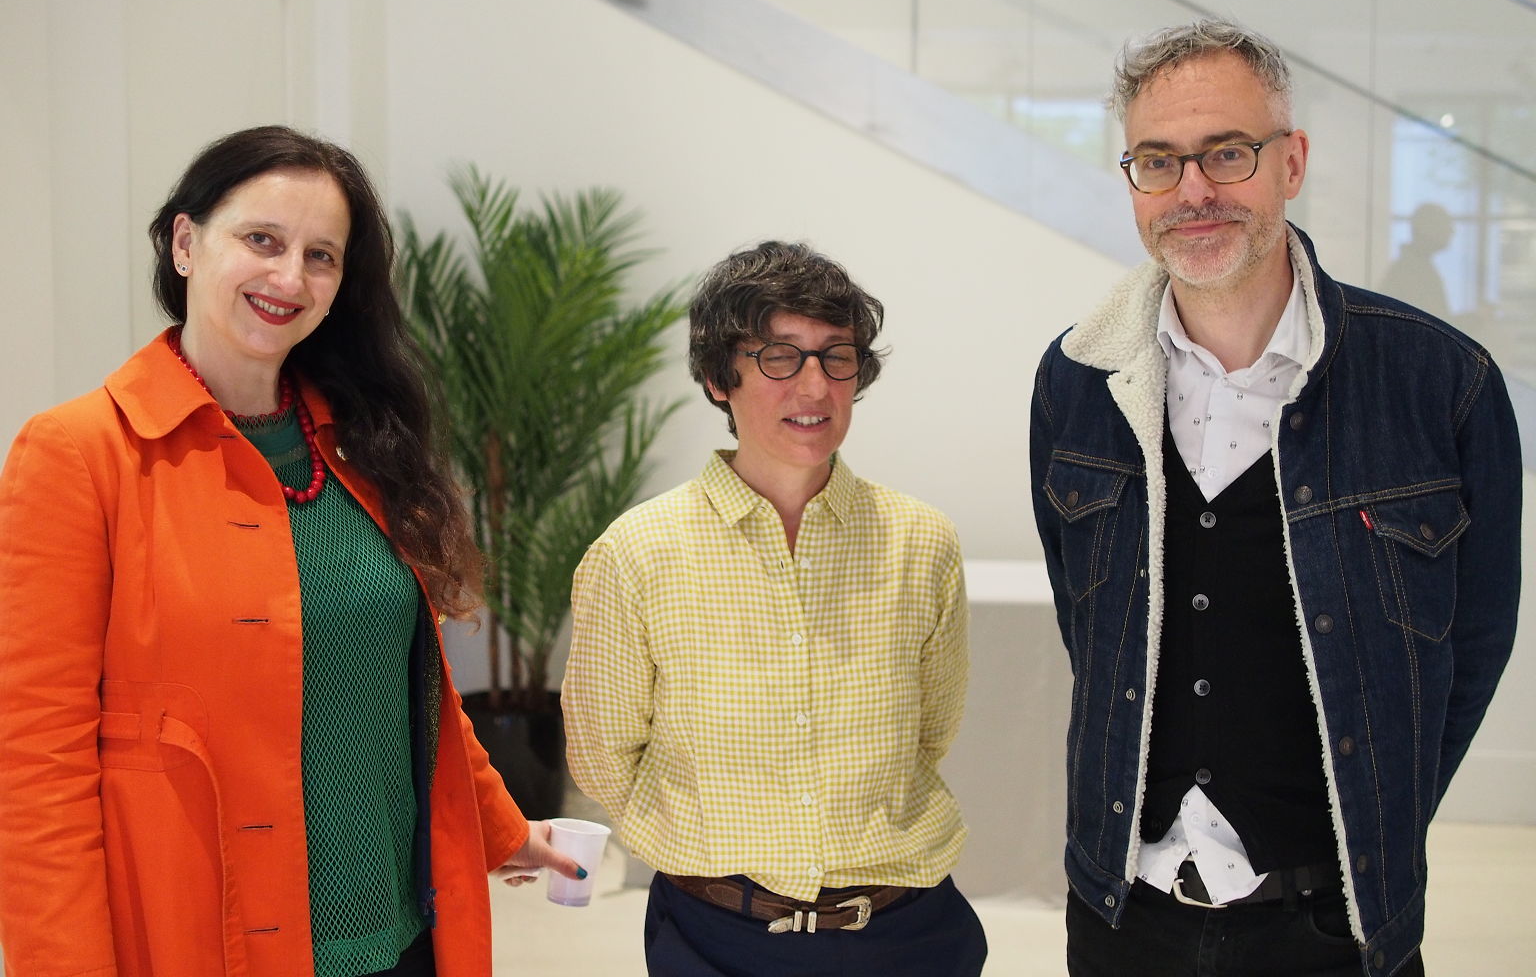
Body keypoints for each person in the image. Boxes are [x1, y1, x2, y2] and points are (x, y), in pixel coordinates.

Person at [0, 126, 581, 977]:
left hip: (403, 934)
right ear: (186, 242)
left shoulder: (363, 443)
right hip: (210, 938)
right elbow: (35, 765)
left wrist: (503, 827)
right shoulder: (79, 454)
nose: (289, 279)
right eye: (262, 240)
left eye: (321, 257)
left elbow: (405, 685)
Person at [1029, 19, 1521, 977]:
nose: (1194, 191)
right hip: (1123, 917)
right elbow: (1086, 624)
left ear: (1291, 162)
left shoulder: (1439, 382)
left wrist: (1378, 812)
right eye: (1158, 161)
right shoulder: (1077, 380)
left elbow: (1473, 646)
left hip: (1334, 926)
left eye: (1228, 152)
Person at [562, 241, 987, 976]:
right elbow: (604, 756)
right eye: (780, 358)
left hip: (907, 931)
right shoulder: (636, 552)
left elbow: (931, 733)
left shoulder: (921, 541)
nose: (815, 386)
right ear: (717, 379)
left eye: (836, 357)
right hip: (716, 935)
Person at [1377, 201, 1454, 321]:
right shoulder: (1412, 271)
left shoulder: (1414, 267)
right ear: (1427, 229)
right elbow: (1431, 324)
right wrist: (1476, 318)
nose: (1451, 231)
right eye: (1445, 225)